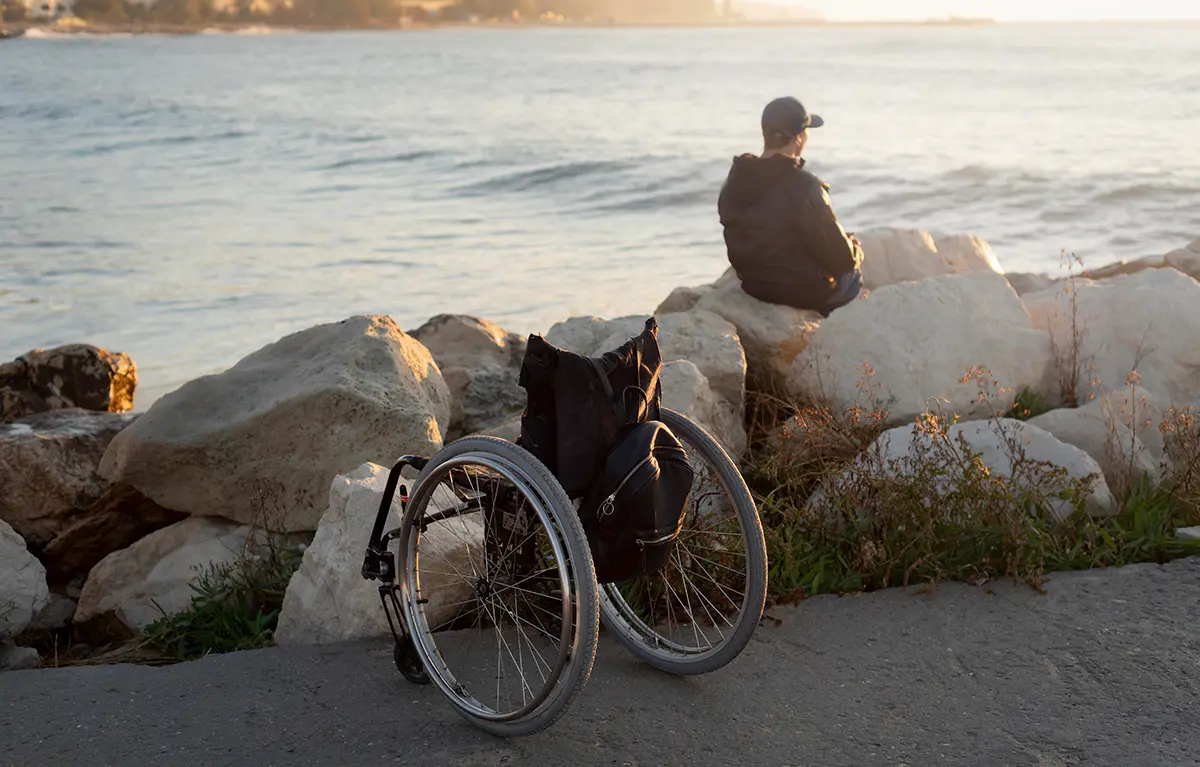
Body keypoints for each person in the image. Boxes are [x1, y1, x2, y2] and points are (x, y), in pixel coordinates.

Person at [717, 96, 864, 317]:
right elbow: (843, 259)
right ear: (798, 137)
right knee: (852, 275)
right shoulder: (805, 186)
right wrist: (854, 248)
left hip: (753, 286)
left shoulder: (735, 180)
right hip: (800, 293)